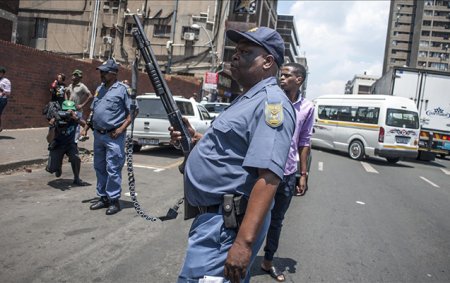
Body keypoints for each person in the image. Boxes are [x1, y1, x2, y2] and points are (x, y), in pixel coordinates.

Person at [169, 27, 296, 283]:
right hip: (215, 221)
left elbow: (269, 177)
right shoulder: (248, 98)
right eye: (236, 51)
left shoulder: (272, 103)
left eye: (246, 52)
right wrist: (195, 139)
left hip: (227, 227)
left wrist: (243, 244)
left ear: (268, 62)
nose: (235, 57)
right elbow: (234, 148)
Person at [260, 62, 314, 282]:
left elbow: (305, 141)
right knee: (250, 214)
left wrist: (303, 174)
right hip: (265, 169)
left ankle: (267, 261)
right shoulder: (271, 99)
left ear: (298, 79)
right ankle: (241, 254)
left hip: (289, 172)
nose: (281, 78)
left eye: (286, 75)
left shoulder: (307, 107)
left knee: (277, 219)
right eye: (280, 75)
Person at [88, 59, 132, 215]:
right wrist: (87, 127)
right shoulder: (100, 89)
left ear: (113, 73)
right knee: (99, 167)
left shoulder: (123, 90)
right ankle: (103, 197)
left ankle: (114, 200)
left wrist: (120, 129)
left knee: (113, 168)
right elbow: (94, 109)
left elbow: (133, 112)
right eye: (101, 71)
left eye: (105, 72)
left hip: (114, 136)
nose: (102, 74)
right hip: (98, 135)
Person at [45, 100, 88, 186]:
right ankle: (58, 167)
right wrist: (52, 127)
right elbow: (49, 140)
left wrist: (76, 118)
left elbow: (85, 125)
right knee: (51, 169)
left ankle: (76, 178)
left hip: (70, 144)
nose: (68, 113)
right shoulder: (57, 118)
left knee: (75, 158)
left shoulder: (75, 118)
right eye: (66, 111)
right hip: (58, 144)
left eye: (71, 110)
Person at [65, 69, 93, 141]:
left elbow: (90, 96)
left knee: (76, 128)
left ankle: (75, 144)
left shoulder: (82, 86)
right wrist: (66, 101)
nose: (74, 77)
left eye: (77, 76)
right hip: (69, 109)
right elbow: (66, 92)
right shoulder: (70, 85)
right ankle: (83, 134)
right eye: (74, 75)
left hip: (77, 110)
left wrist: (82, 105)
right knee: (69, 127)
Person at [0, 66, 11, 133]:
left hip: (2, 99)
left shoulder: (6, 81)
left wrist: (2, 91)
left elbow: (8, 93)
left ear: (3, 73)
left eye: (0, 72)